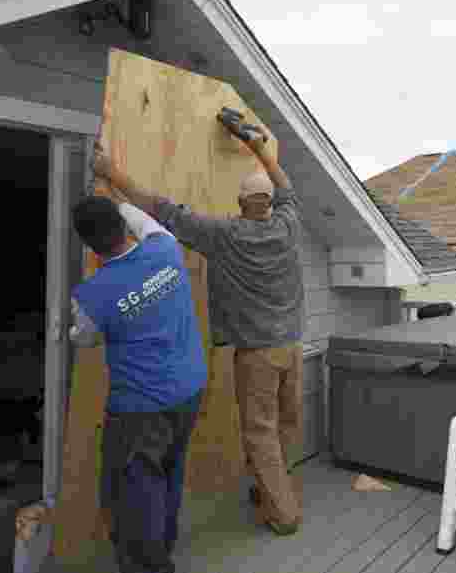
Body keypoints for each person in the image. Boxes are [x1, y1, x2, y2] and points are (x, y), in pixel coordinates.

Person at [91, 122, 306, 536]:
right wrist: (259, 149)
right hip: (292, 346)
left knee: (260, 432)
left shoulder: (225, 235)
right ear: (270, 203)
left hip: (258, 353)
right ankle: (274, 491)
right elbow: (288, 188)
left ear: (242, 203)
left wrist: (111, 173)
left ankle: (283, 514)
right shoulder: (288, 225)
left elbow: (164, 211)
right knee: (284, 424)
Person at [69, 194, 207, 573]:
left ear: (88, 245)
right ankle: (162, 550)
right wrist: (115, 197)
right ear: (122, 225)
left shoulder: (94, 294)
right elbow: (142, 218)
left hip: (140, 412)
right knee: (167, 477)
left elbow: (84, 338)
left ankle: (150, 566)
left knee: (134, 499)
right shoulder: (165, 248)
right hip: (188, 391)